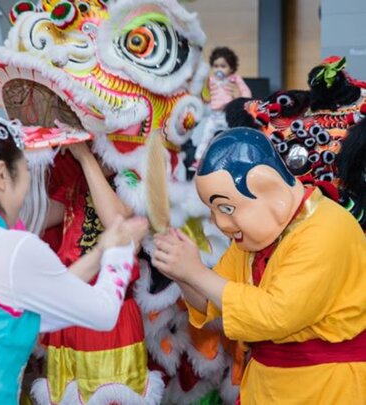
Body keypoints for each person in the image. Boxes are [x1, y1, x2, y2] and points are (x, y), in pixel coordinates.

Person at [153, 127, 366, 403]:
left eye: (226, 209)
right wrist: (181, 272)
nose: (221, 224)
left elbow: (275, 315)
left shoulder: (326, 229)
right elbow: (212, 301)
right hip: (267, 385)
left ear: (269, 190)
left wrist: (196, 272)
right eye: (213, 211)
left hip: (325, 386)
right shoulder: (255, 239)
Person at [0, 112, 149, 404]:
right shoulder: (12, 248)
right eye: (25, 172)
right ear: (1, 176)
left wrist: (100, 252)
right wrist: (118, 252)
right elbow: (101, 312)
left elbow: (43, 298)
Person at [34, 140, 163, 403]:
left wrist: (84, 158)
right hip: (70, 307)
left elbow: (116, 220)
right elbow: (41, 216)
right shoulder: (79, 181)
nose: (95, 147)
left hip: (109, 310)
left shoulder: (132, 177)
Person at [193, 47, 252, 167]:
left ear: (231, 68)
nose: (218, 69)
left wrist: (239, 98)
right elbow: (204, 95)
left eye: (223, 66)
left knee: (229, 136)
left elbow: (247, 94)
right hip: (214, 115)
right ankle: (199, 159)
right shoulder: (210, 80)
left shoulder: (235, 79)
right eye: (215, 66)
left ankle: (232, 159)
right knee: (206, 136)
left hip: (227, 115)